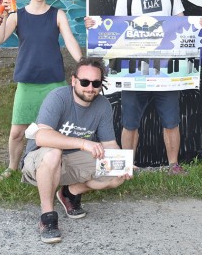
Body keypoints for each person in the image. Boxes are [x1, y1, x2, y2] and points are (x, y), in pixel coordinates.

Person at [89, 0, 202, 175]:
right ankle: (127, 167)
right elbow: (116, 29)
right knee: (130, 122)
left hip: (166, 72)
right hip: (134, 72)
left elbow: (182, 25)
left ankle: (173, 165)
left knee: (171, 121)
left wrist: (200, 25)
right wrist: (95, 27)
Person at [21, 58, 131, 244]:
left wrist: (123, 163)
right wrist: (83, 143)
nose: (90, 88)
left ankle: (70, 192)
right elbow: (41, 137)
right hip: (39, 161)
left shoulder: (103, 104)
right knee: (54, 153)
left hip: (72, 162)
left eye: (96, 83)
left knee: (114, 177)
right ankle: (47, 217)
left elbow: (110, 144)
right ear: (73, 80)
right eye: (85, 82)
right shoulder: (58, 97)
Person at [0, 0, 83, 181]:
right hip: (27, 81)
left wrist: (82, 63)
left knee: (57, 131)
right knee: (17, 132)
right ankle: (12, 167)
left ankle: (60, 166)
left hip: (54, 82)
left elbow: (69, 41)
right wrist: (4, 13)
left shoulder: (57, 14)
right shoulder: (17, 15)